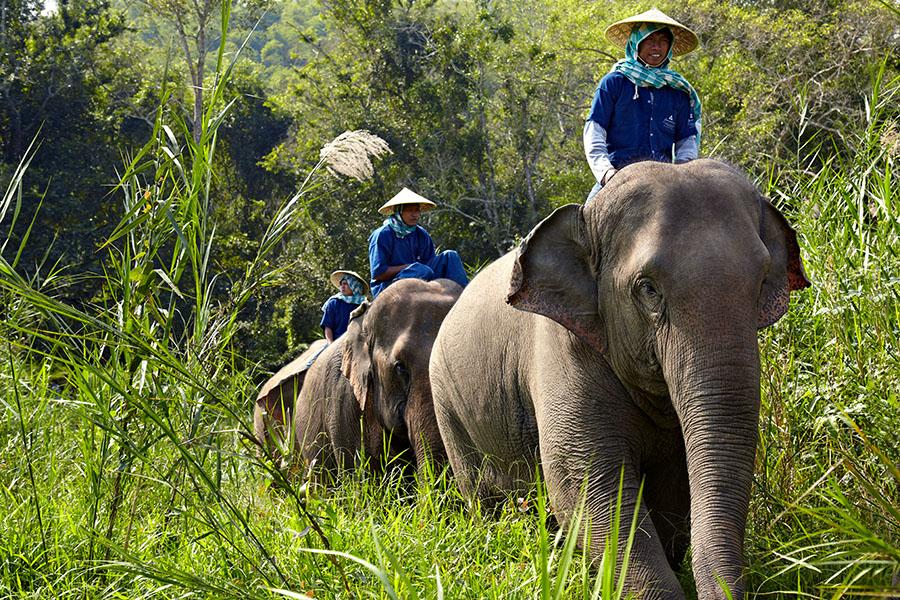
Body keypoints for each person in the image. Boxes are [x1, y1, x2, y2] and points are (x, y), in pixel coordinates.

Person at [584, 8, 702, 202]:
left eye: (663, 41)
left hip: (664, 180)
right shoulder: (614, 83)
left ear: (670, 47)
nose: (657, 47)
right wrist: (606, 173)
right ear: (636, 43)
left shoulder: (678, 92)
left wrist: (682, 176)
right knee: (583, 225)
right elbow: (594, 131)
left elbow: (686, 141)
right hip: (618, 176)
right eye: (649, 40)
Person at [368, 188, 469, 298]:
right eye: (410, 210)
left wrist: (416, 268)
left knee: (450, 255)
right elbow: (378, 274)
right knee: (420, 270)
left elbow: (429, 265)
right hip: (387, 285)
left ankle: (464, 298)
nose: (415, 214)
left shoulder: (421, 234)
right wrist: (408, 267)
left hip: (420, 275)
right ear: (399, 211)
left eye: (417, 210)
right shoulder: (382, 235)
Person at [320, 270, 369, 342]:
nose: (342, 286)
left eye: (346, 284)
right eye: (341, 284)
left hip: (357, 342)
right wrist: (330, 344)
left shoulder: (363, 304)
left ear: (354, 286)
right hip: (336, 342)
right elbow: (328, 326)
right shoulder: (333, 302)